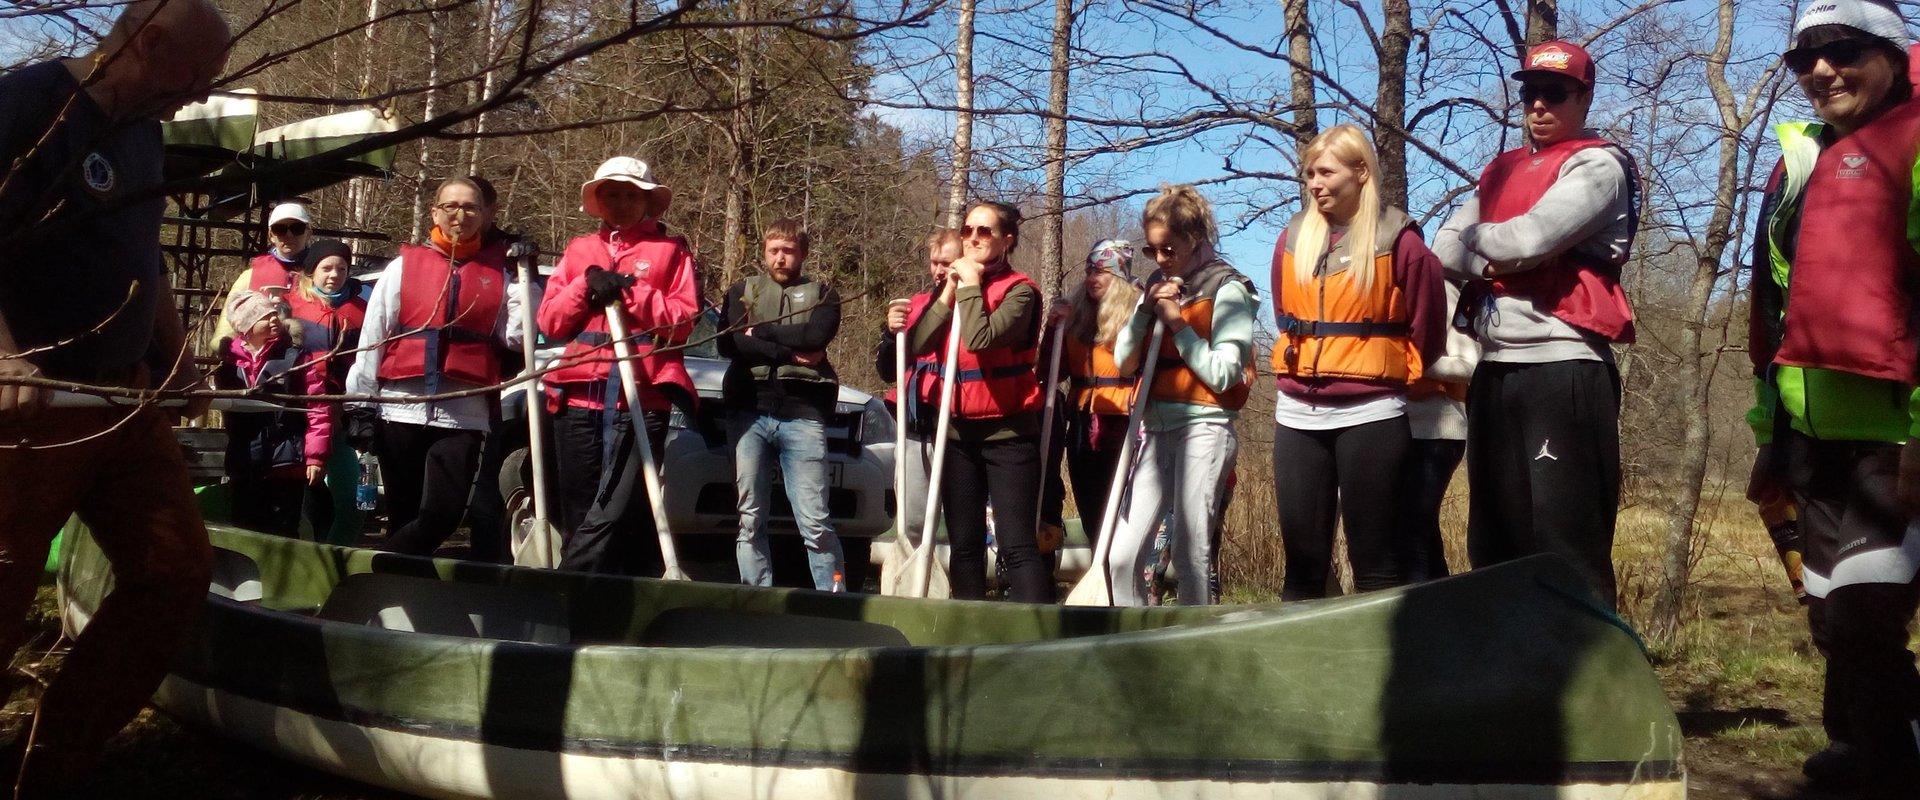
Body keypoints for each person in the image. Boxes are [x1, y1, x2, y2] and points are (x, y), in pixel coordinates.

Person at [0, 0, 229, 792]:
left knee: (174, 571)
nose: (200, 94)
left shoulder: (145, 130)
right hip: (35, 413)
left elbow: (146, 259)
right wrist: (6, 359)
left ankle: (54, 761)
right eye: (197, 75)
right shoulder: (28, 105)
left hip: (125, 405)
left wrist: (178, 359)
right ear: (150, 41)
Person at [1744, 2, 1920, 794]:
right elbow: (1774, 303)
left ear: (1893, 53)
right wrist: (1768, 433)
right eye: (1802, 59)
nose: (1821, 71)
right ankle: (1857, 744)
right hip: (1807, 431)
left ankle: (1894, 760)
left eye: (1843, 50)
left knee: (1864, 617)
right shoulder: (1798, 161)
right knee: (1828, 618)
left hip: (1896, 435)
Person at [1432, 39, 1638, 608]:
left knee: (1566, 546)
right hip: (1494, 372)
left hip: (1564, 367)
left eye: (1556, 93)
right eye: (1529, 94)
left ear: (1584, 98)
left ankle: (1589, 688)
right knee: (1493, 542)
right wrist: (1494, 252)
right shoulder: (1499, 173)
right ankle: (1511, 681)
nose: (1539, 106)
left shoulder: (1598, 166)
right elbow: (1443, 247)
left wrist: (1495, 247)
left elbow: (1528, 239)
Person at [1268, 124, 1447, 600]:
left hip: (1372, 416)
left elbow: (1428, 328)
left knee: (1376, 565)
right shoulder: (1291, 239)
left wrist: (1394, 377)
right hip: (1297, 416)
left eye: (1325, 172)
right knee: (1302, 566)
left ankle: (1380, 673)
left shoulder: (1401, 240)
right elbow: (1285, 314)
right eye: (1309, 174)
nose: (1314, 183)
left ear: (1361, 172)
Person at [344, 176, 538, 558]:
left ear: (484, 215)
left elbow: (518, 338)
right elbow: (373, 336)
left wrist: (523, 276)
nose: (460, 214)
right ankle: (402, 598)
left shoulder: (501, 271)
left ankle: (376, 568)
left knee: (444, 515)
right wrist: (358, 403)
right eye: (450, 206)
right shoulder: (404, 267)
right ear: (435, 212)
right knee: (403, 515)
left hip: (462, 413)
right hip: (399, 407)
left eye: (470, 207)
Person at [537, 156, 698, 576]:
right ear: (599, 200)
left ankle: (566, 589)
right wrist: (583, 286)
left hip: (638, 399)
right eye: (612, 194)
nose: (622, 203)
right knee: (580, 512)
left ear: (647, 201)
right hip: (576, 400)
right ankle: (591, 616)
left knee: (613, 511)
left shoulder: (671, 251)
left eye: (631, 194)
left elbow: (682, 323)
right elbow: (550, 322)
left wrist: (632, 291)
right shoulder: (578, 250)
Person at [1106, 185, 1256, 607]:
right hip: (1155, 430)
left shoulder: (1228, 289)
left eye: (1168, 249)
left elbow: (1225, 374)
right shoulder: (1157, 285)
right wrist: (1144, 312)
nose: (1159, 260)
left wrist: (1177, 324)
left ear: (1195, 240)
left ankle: (1196, 646)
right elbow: (1122, 362)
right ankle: (1134, 644)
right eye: (1151, 250)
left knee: (1191, 555)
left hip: (1205, 428)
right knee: (1121, 558)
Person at [900, 202, 1052, 602]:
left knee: (1017, 546)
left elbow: (980, 338)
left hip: (1009, 433)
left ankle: (1034, 639)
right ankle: (970, 634)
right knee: (964, 547)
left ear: (1007, 241)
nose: (973, 238)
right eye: (968, 230)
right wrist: (949, 290)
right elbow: (917, 345)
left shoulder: (1021, 292)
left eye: (985, 232)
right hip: (956, 434)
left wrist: (967, 285)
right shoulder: (950, 287)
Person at [719, 219, 846, 590]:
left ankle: (834, 599)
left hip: (803, 415)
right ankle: (757, 596)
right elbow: (728, 342)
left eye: (788, 251)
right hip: (748, 411)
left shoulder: (823, 293)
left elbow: (817, 333)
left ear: (802, 254)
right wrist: (790, 349)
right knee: (750, 516)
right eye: (773, 250)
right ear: (764, 252)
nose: (780, 257)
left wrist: (759, 332)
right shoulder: (743, 291)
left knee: (816, 521)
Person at [1040, 239, 1143, 551]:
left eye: (1101, 272)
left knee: (1123, 512)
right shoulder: (1075, 318)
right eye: (1089, 271)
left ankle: (1127, 576)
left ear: (1119, 280)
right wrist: (1051, 328)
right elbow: (1051, 373)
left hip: (1125, 423)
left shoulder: (1138, 315)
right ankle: (1102, 573)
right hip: (1084, 423)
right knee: (1092, 512)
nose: (1091, 278)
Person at [876, 229, 959, 579]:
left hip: (956, 427)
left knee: (958, 521)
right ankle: (913, 580)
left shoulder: (972, 305)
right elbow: (885, 370)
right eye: (935, 262)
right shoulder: (914, 306)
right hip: (914, 423)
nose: (939, 270)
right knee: (910, 519)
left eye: (947, 263)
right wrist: (889, 332)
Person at [214, 290, 331, 537]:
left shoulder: (295, 357)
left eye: (274, 313)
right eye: (265, 316)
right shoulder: (228, 366)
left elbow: (317, 406)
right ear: (246, 326)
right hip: (244, 461)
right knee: (245, 528)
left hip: (286, 463)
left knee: (283, 531)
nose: (274, 319)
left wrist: (315, 457)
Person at [1394, 275, 1479, 583]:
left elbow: (1470, 364)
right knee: (1420, 531)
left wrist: (1414, 370)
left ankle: (1421, 619)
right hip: (1393, 429)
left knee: (1412, 529)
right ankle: (1444, 609)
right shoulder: (1377, 286)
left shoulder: (1444, 291)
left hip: (1440, 432)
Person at [284, 239, 369, 545]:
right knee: (303, 504)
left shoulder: (360, 310)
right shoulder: (290, 307)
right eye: (326, 268)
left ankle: (335, 561)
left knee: (354, 504)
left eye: (342, 268)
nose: (334, 274)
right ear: (311, 271)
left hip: (339, 416)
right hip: (295, 417)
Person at [215, 200, 312, 338]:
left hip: (311, 352)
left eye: (297, 228)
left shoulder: (324, 271)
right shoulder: (251, 275)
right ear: (271, 235)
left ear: (308, 233)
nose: (289, 235)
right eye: (280, 229)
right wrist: (224, 342)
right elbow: (230, 318)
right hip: (261, 353)